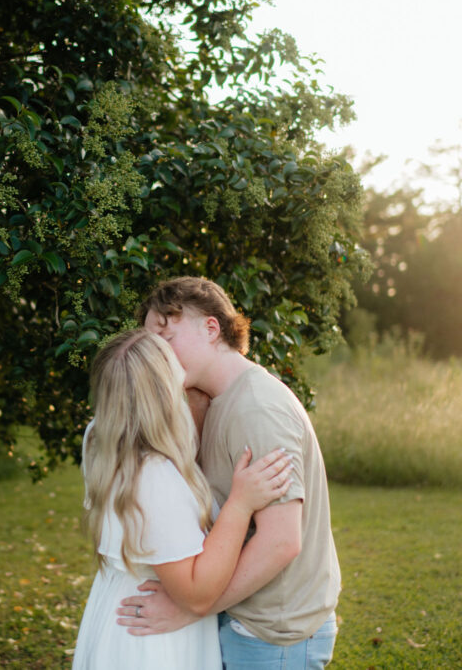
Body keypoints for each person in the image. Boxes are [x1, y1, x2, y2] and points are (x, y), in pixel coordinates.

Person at [116, 276, 341, 669]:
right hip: (246, 623)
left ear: (211, 328)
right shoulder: (217, 400)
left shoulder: (257, 407)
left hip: (273, 635)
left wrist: (190, 608)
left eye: (166, 339)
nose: (158, 356)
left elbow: (281, 541)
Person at [72, 329, 294, 670]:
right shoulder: (153, 476)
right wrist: (240, 504)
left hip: (117, 608)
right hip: (153, 636)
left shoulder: (100, 437)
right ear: (163, 394)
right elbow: (196, 593)